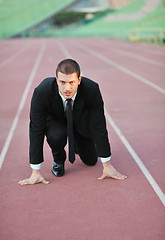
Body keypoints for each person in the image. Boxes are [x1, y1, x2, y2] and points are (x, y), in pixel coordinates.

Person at [19, 59, 127, 185]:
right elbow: (36, 129)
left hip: (80, 122)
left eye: (71, 82)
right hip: (56, 121)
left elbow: (98, 125)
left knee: (91, 161)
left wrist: (107, 165)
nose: (67, 88)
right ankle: (58, 160)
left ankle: (76, 143)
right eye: (62, 82)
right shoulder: (42, 92)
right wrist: (35, 172)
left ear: (79, 80)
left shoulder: (92, 89)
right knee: (56, 136)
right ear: (56, 80)